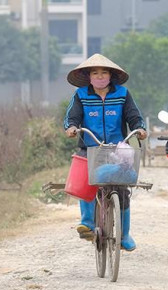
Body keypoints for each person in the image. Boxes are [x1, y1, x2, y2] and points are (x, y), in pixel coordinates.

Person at [63, 54, 147, 252]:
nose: (100, 76)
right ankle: (88, 223)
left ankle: (124, 235)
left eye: (104, 73)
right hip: (89, 146)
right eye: (95, 73)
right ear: (89, 77)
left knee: (123, 189)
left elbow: (134, 116)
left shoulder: (122, 94)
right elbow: (71, 116)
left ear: (111, 76)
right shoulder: (81, 95)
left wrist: (140, 129)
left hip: (118, 148)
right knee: (86, 180)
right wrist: (71, 127)